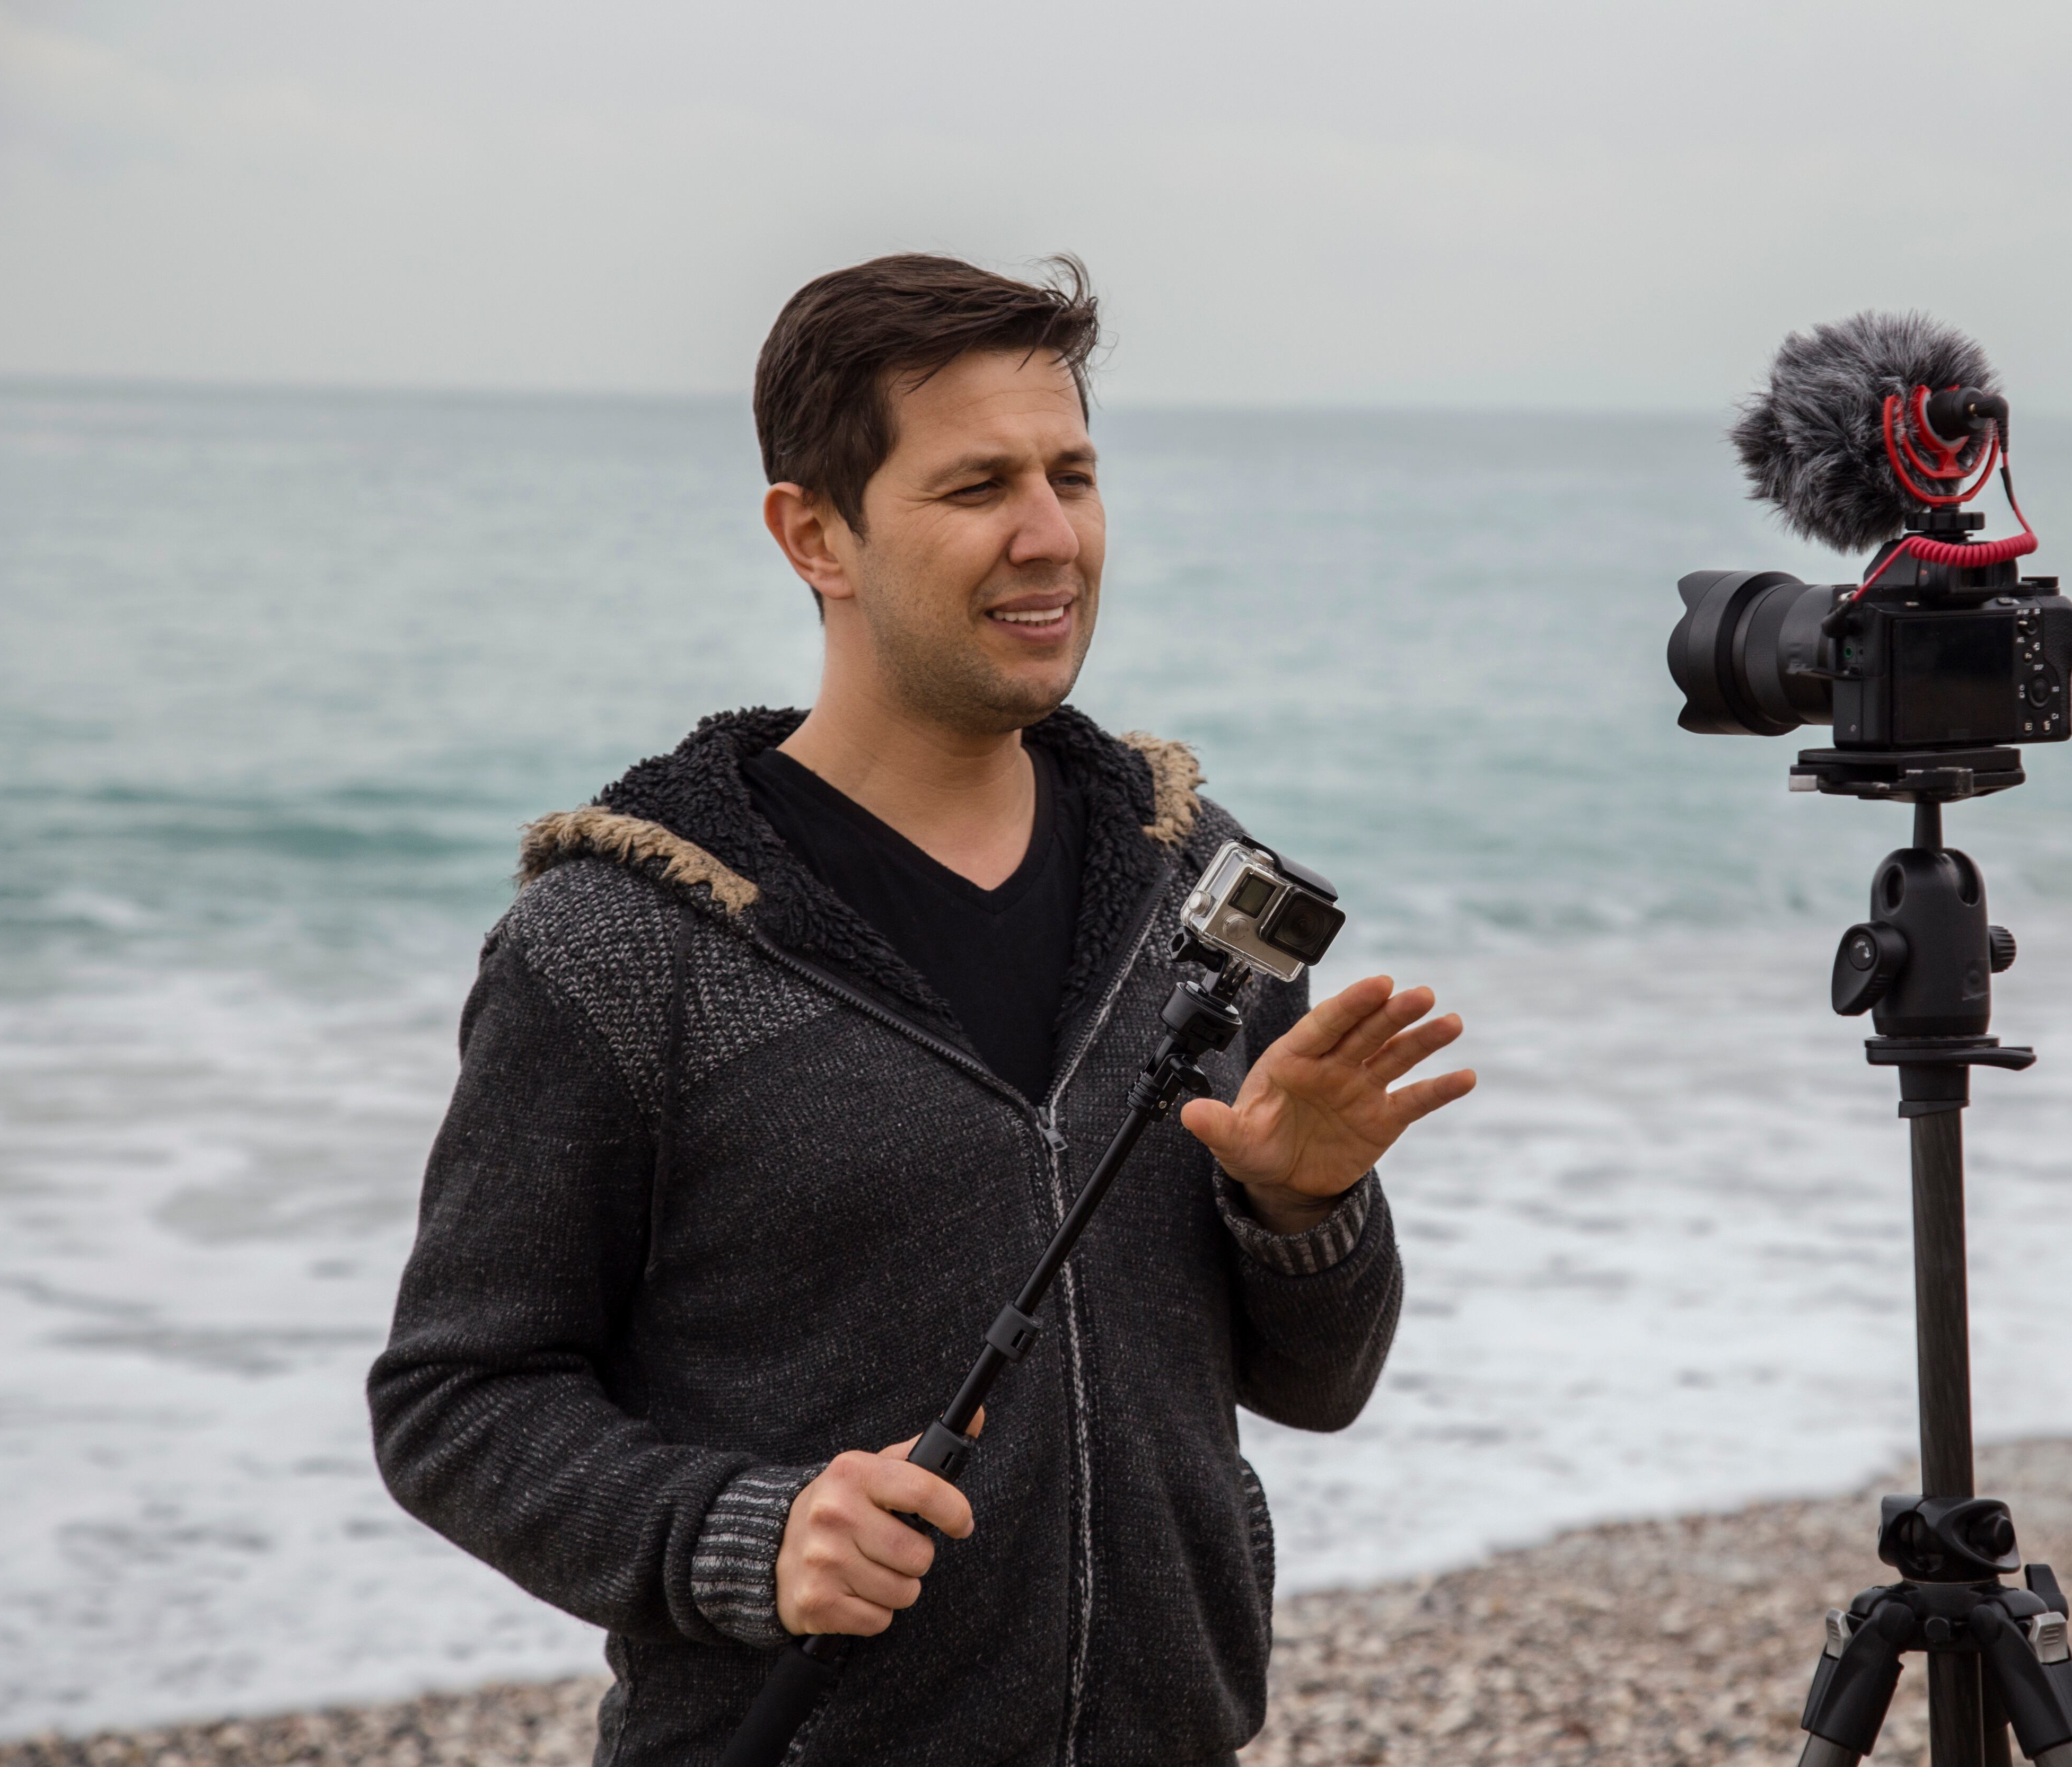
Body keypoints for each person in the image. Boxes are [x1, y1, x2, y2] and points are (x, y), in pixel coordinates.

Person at [367, 254, 1476, 1766]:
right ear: (813, 531)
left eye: (1072, 474)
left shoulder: (1201, 894)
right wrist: (748, 1536)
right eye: (977, 488)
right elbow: (456, 1400)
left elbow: (1320, 1385)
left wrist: (1306, 1209)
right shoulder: (624, 944)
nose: (1050, 535)